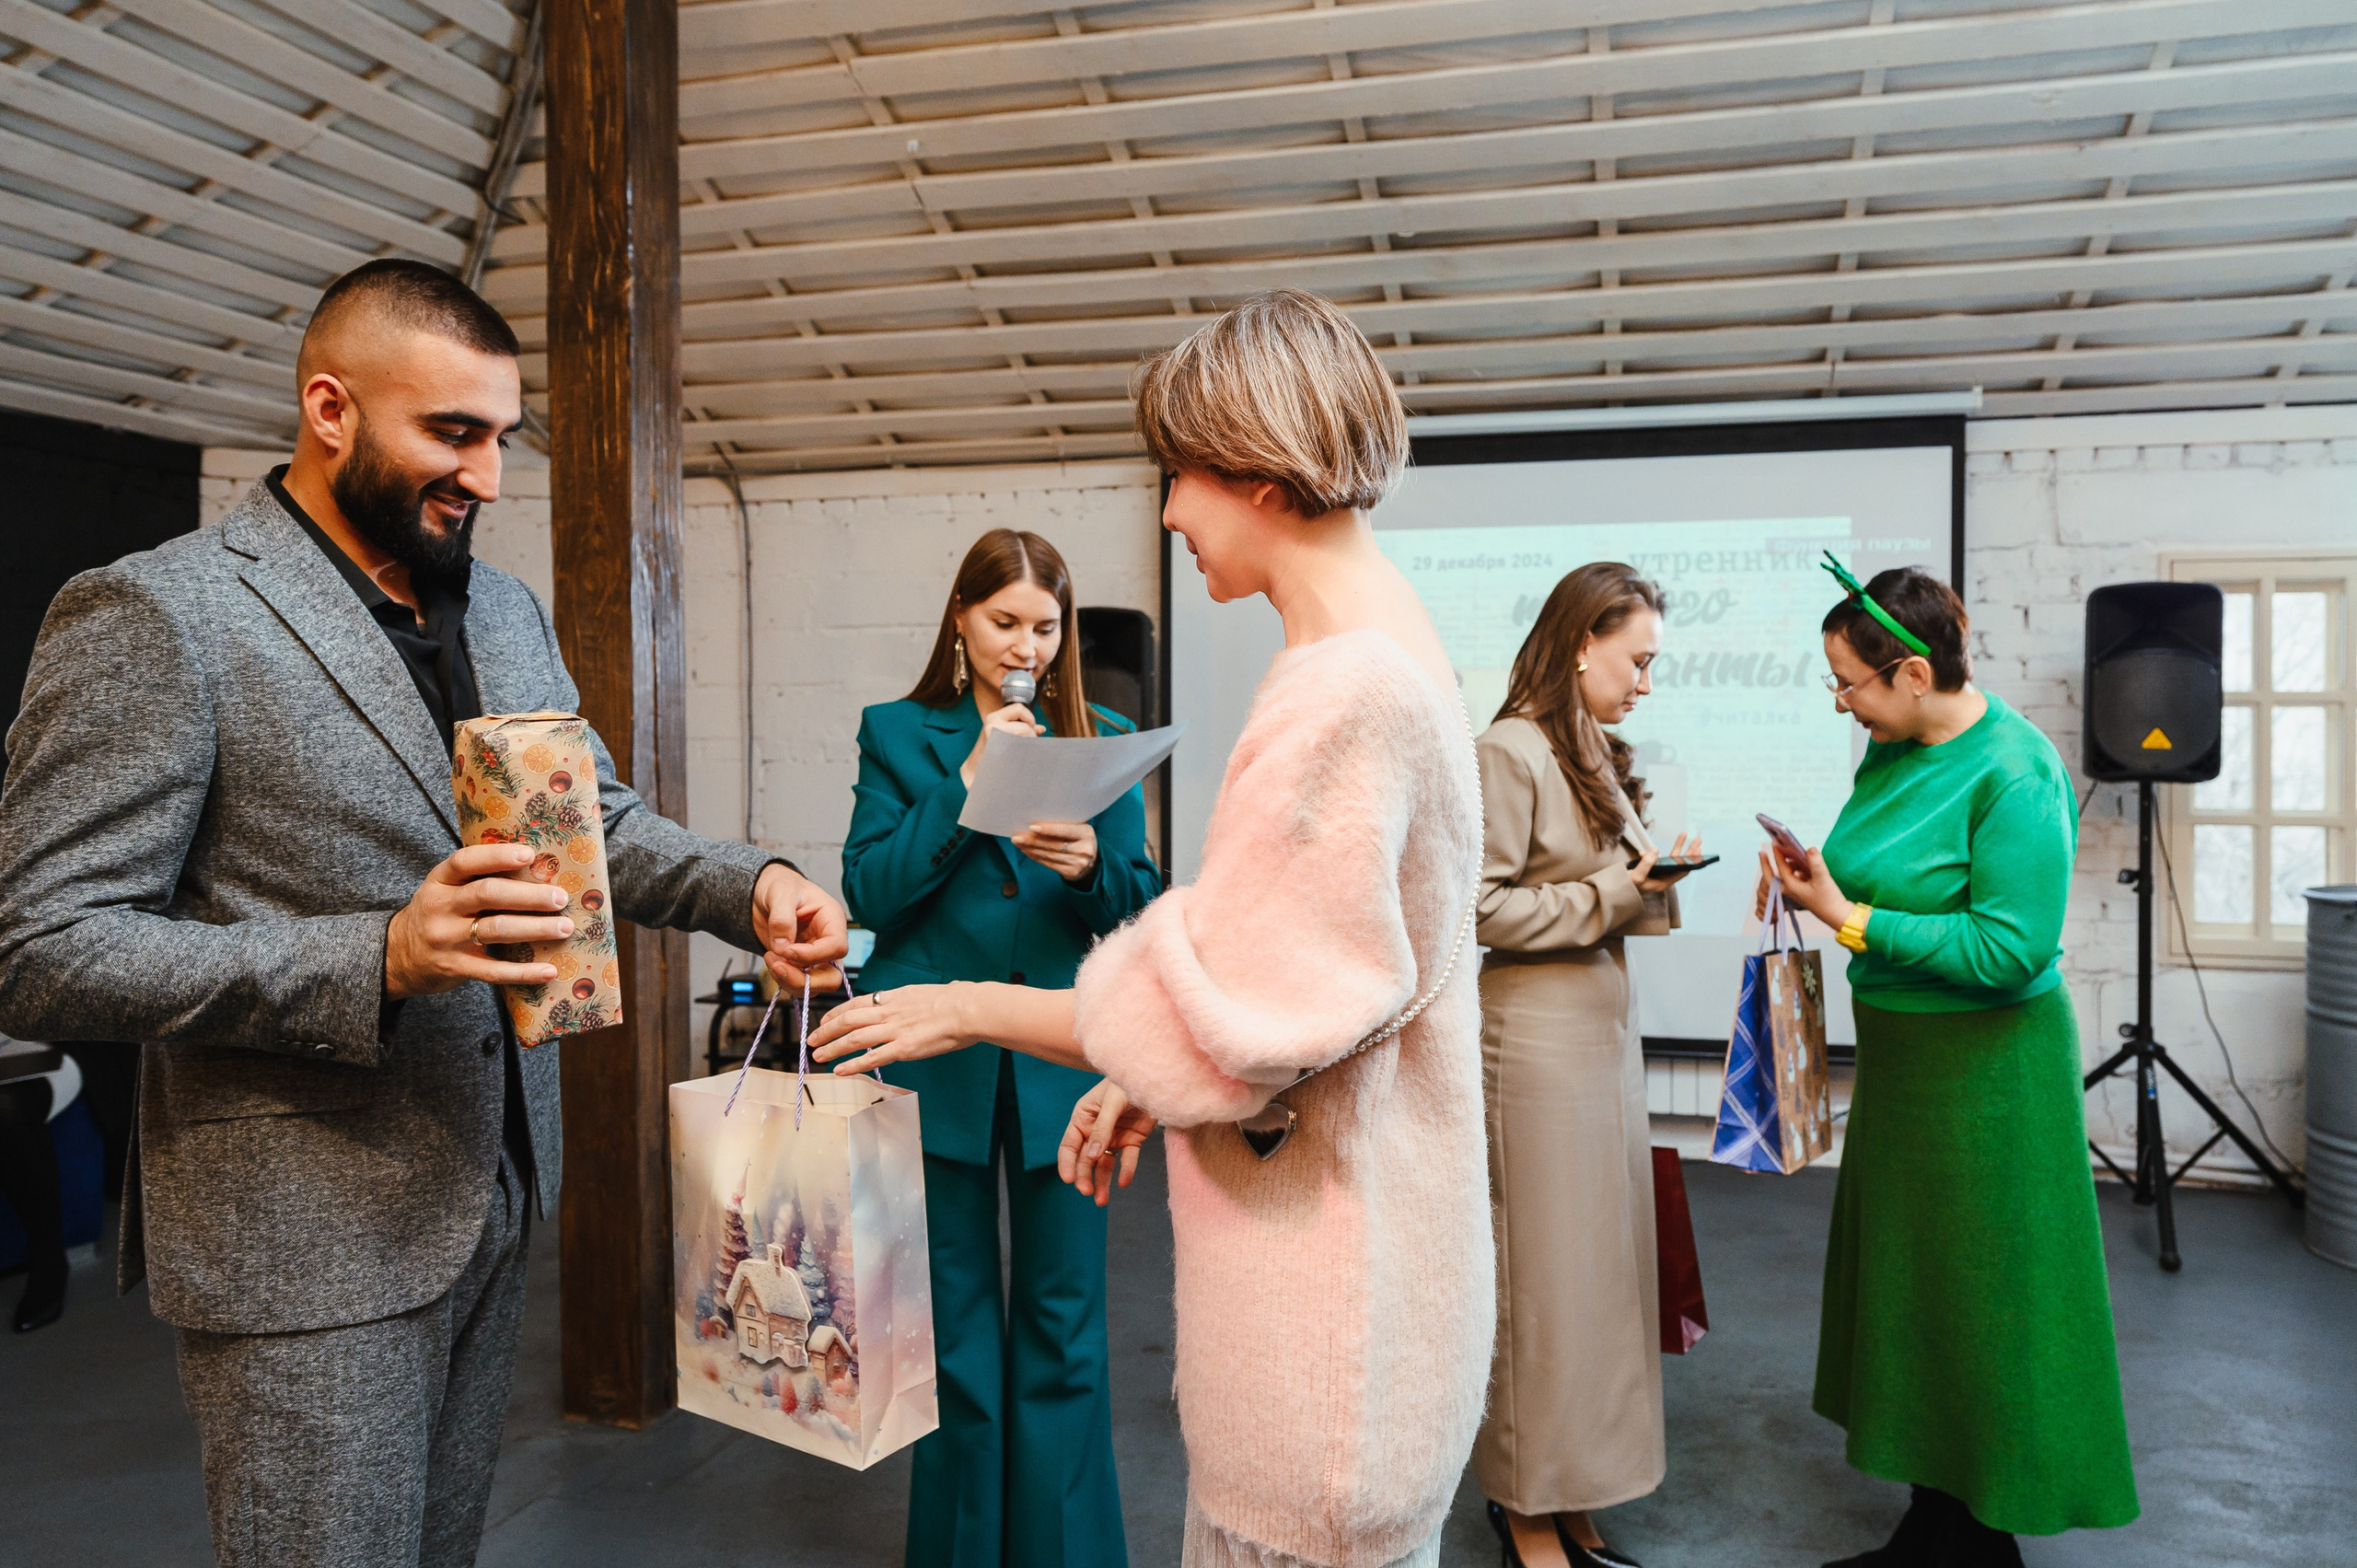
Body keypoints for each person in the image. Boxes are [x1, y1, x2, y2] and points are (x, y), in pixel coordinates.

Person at [0, 260, 847, 1568]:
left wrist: (755, 887)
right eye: (452, 433)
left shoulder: (496, 605)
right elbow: (44, 947)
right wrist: (379, 954)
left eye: (502, 436)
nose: (490, 477)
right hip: (300, 1239)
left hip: (491, 1186)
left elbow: (594, 826)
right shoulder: (161, 612)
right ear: (329, 408)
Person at [808, 289, 1489, 1568]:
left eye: (1178, 473)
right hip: (1339, 1275)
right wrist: (1140, 1065)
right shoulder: (1385, 655)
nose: (1169, 512)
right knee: (955, 1342)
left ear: (1258, 468)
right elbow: (1300, 983)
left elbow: (1240, 1016)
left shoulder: (1337, 688)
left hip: (1325, 1317)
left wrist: (970, 1005)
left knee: (1063, 1338)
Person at [1759, 563, 2138, 1567]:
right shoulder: (1890, 749)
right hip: (1905, 1065)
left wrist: (1847, 917)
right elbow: (1878, 881)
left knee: (1985, 1299)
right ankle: (1931, 1522)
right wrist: (1821, 885)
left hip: (1988, 1076)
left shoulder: (2016, 770)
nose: (1840, 702)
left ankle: (1982, 1538)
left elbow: (2009, 950)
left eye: (1849, 683)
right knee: (1916, 1292)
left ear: (1914, 670)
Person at [843, 527, 1161, 1568]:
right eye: (1003, 620)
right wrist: (968, 783)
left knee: (1065, 1329)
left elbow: (1138, 907)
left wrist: (1085, 869)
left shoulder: (1104, 737)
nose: (1023, 642)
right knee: (956, 1340)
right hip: (932, 1063)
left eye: (1044, 624)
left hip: (1060, 1063)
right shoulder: (898, 733)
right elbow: (872, 891)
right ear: (962, 621)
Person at [1473, 563, 1696, 1568]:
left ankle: (1573, 1489)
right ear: (1578, 643)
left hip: (1600, 1033)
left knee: (1600, 1279)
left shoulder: (1594, 750)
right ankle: (1523, 1500)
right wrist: (1616, 888)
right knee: (1541, 1281)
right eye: (1636, 658)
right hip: (1534, 1046)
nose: (1645, 681)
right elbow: (1475, 910)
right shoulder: (1506, 750)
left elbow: (1605, 891)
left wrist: (1655, 880)